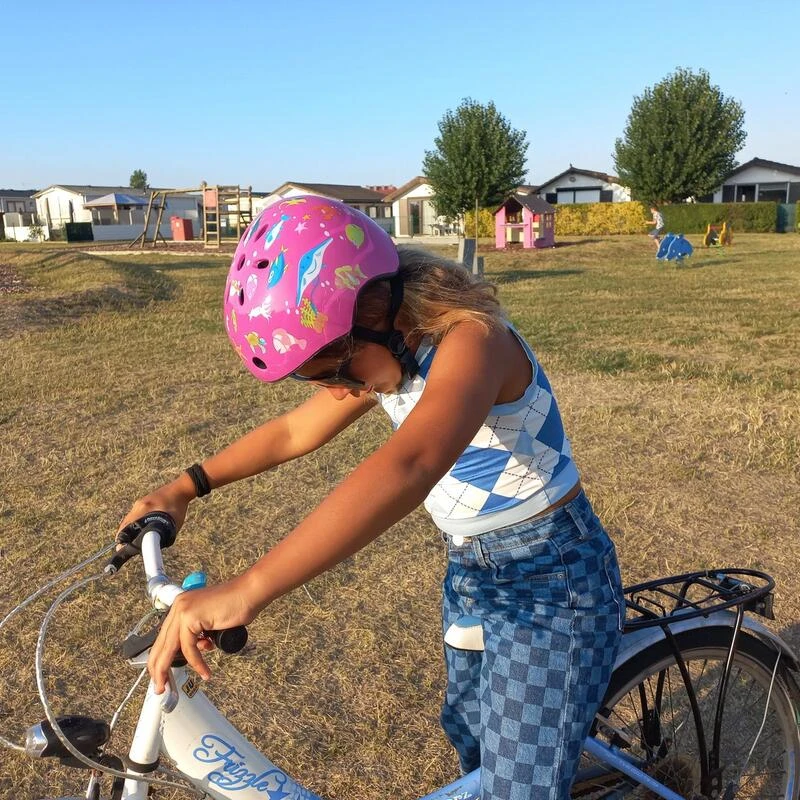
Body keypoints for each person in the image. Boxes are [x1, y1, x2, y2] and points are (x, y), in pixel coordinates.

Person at [118, 195, 624, 800]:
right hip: (472, 569)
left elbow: (411, 463)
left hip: (554, 576)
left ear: (373, 313)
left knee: (519, 787)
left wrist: (248, 590)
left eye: (337, 369)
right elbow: (292, 431)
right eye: (322, 378)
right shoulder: (387, 350)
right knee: (473, 740)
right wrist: (186, 485)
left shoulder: (472, 342)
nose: (338, 388)